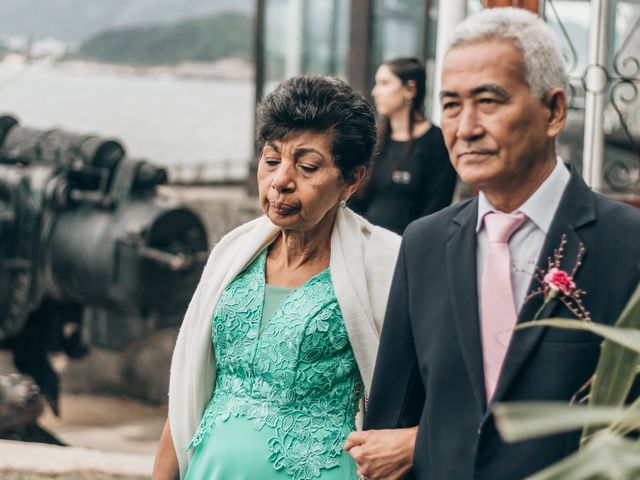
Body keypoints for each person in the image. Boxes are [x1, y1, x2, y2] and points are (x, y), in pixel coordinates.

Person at [346, 7, 640, 480]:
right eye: (451, 105)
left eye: (489, 101)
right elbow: (391, 420)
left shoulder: (627, 245)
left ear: (554, 111)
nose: (465, 128)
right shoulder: (423, 245)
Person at [151, 75, 401, 480]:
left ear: (351, 180)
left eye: (307, 166)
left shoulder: (386, 266)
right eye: (271, 160)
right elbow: (186, 392)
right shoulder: (233, 255)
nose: (281, 180)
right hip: (209, 470)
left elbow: (427, 394)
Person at [350, 57, 456, 234]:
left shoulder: (436, 141)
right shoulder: (373, 138)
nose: (375, 92)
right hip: (365, 246)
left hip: (409, 250)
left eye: (385, 83)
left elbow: (436, 208)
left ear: (410, 89)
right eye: (377, 83)